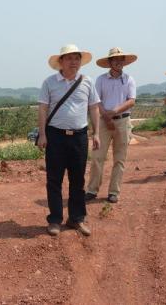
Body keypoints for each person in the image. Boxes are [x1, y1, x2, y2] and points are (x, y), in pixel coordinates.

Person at [37, 44, 100, 237]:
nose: (74, 62)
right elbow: (42, 109)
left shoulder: (87, 82)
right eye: (70, 58)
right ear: (61, 62)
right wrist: (42, 134)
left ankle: (76, 218)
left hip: (79, 137)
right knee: (54, 180)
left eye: (77, 58)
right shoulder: (49, 82)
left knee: (78, 180)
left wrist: (96, 132)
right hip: (55, 136)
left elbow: (94, 108)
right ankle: (55, 220)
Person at [85, 48, 137, 204]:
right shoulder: (101, 79)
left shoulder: (129, 80)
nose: (118, 61)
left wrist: (113, 112)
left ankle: (114, 192)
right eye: (115, 59)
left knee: (119, 159)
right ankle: (92, 190)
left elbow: (131, 101)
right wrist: (106, 117)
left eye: (121, 59)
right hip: (103, 121)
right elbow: (96, 100)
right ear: (109, 62)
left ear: (124, 62)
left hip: (123, 120)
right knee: (97, 157)